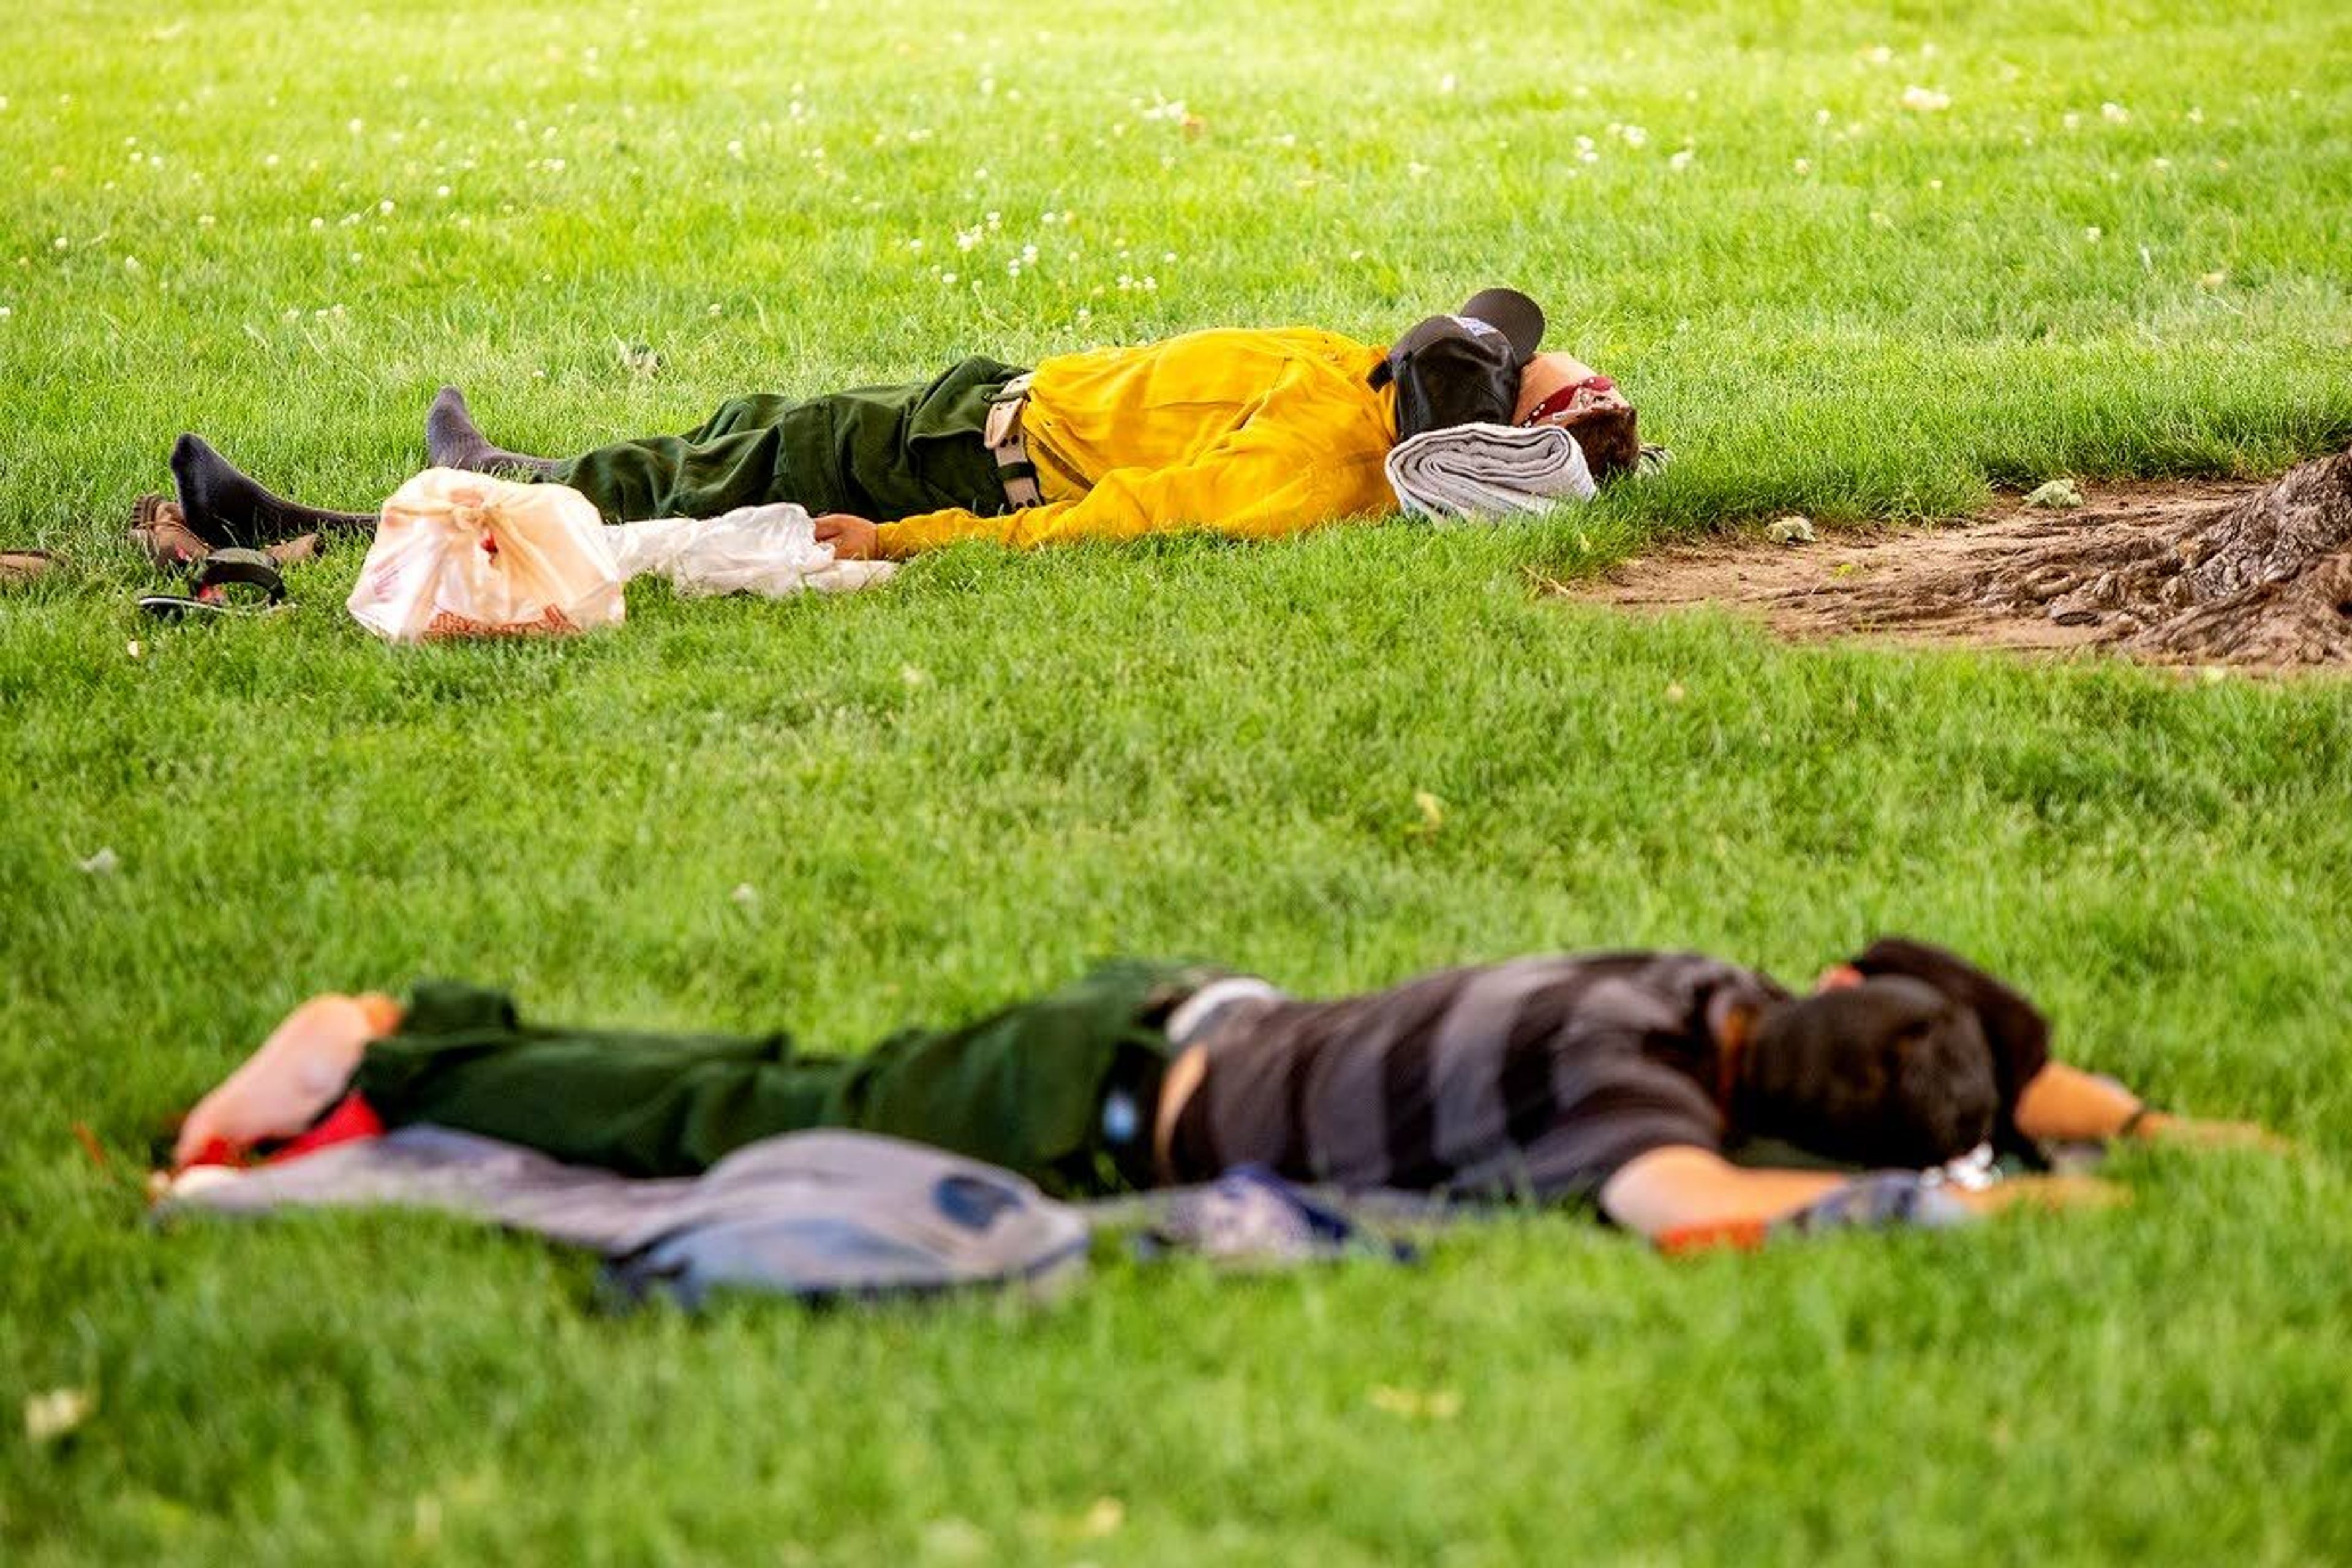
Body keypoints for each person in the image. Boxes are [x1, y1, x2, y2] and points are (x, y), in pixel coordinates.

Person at [167, 939, 2274, 1245]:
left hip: (1182, 1016)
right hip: (1078, 1102)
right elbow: (1698, 1219)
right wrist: (1989, 1199)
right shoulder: (1622, 1116)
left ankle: (416, 1041)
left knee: (771, 1082)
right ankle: (398, 1046)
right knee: (743, 1109)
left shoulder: (1699, 984)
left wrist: (2174, 1139)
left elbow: (1958, 1035)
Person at [144, 288, 1641, 564]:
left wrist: (919, 540)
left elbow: (1130, 517)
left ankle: (310, 526)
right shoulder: (1373, 378)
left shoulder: (1328, 465)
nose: (1516, 341)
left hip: (967, 465)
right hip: (985, 400)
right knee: (743, 430)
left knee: (730, 477)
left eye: (1522, 359)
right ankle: (513, 475)